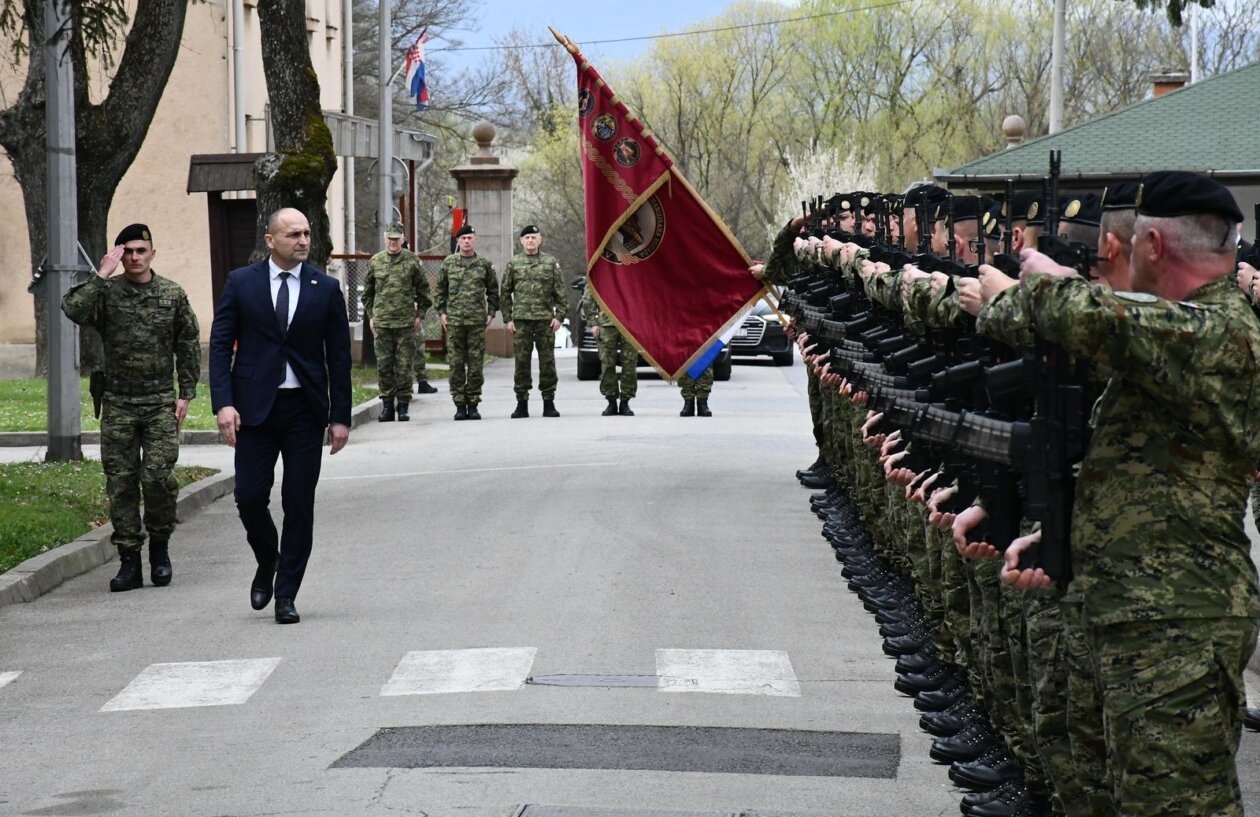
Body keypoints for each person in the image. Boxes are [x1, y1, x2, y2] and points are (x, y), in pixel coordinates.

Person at [1002, 171, 1260, 816]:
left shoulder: (1219, 331)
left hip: (1181, 625)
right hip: (1142, 612)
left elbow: (1090, 316)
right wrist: (1061, 539)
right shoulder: (1179, 337)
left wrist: (1039, 277)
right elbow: (1144, 476)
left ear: (1152, 244)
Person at [209, 207, 352, 625]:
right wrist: (224, 403)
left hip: (304, 410)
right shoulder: (242, 283)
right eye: (293, 234)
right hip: (254, 409)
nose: (303, 240)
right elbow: (220, 346)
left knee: (298, 502)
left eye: (306, 233)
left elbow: (339, 358)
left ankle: (286, 593)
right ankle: (267, 557)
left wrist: (340, 417)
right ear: (271, 240)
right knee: (250, 496)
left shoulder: (325, 288)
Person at [61, 223, 200, 592]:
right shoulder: (107, 293)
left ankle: (160, 548)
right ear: (119, 256)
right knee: (121, 483)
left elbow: (187, 342)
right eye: (128, 252)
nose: (135, 258)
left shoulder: (172, 294)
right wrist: (101, 275)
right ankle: (129, 561)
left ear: (153, 253)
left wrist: (186, 393)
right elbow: (72, 309)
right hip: (119, 403)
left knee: (157, 478)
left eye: (141, 251)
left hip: (159, 403)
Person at [363, 222, 430, 422]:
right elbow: (367, 293)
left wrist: (420, 316)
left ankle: (403, 406)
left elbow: (424, 291)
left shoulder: (412, 261)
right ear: (385, 239)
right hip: (382, 323)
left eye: (396, 238)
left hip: (405, 324)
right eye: (390, 238)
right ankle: (387, 406)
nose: (393, 242)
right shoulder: (375, 261)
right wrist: (372, 316)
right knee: (384, 366)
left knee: (404, 366)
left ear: (403, 239)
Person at [501, 225, 567, 418]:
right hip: (521, 321)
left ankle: (549, 402)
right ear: (521, 241)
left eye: (533, 237)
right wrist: (508, 319)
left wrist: (559, 317)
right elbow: (505, 293)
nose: (530, 240)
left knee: (547, 363)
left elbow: (560, 292)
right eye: (527, 237)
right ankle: (521, 403)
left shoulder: (550, 262)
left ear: (540, 240)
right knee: (522, 363)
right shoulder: (514, 263)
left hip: (545, 321)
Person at [435, 224, 499, 421]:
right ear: (458, 241)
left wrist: (491, 313)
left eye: (470, 238)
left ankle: (473, 403)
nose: (466, 241)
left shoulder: (484, 265)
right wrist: (442, 312)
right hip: (454, 322)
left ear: (475, 240)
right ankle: (459, 404)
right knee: (456, 364)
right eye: (463, 238)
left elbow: (493, 291)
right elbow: (440, 290)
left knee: (475, 364)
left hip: (476, 322)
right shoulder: (449, 263)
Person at [581, 283, 636, 416]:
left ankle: (625, 401)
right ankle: (611, 400)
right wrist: (593, 322)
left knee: (629, 363)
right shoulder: (600, 271)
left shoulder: (633, 270)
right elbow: (588, 297)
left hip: (629, 322)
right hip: (606, 324)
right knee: (607, 363)